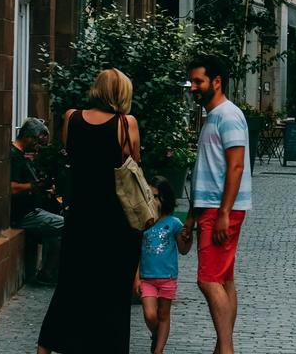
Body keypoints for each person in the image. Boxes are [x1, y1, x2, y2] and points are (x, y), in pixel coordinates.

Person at [37, 69, 143, 354]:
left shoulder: (71, 118)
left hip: (81, 219)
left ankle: (47, 347)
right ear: (121, 93)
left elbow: (70, 156)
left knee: (71, 287)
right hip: (116, 225)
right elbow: (134, 170)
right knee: (113, 297)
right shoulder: (126, 123)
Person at [183, 55, 251, 354]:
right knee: (223, 279)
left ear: (217, 81)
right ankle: (223, 346)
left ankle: (226, 348)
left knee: (208, 280)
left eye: (198, 82)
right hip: (211, 207)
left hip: (220, 209)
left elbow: (235, 167)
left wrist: (223, 212)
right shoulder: (213, 116)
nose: (193, 87)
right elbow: (206, 173)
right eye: (192, 82)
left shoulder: (228, 115)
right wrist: (189, 219)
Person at [136, 177, 191, 354]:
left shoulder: (174, 223)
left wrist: (187, 238)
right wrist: (136, 277)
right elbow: (136, 253)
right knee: (150, 314)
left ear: (164, 199)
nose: (152, 201)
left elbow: (183, 249)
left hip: (167, 278)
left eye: (156, 196)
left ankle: (158, 350)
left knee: (163, 315)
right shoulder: (144, 223)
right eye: (149, 197)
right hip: (147, 278)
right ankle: (157, 334)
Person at [10, 117, 62, 285]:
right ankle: (48, 273)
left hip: (32, 210)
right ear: (28, 137)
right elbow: (11, 187)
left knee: (56, 230)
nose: (37, 147)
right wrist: (33, 186)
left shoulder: (23, 156)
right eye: (37, 142)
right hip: (24, 214)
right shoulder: (14, 156)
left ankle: (49, 272)